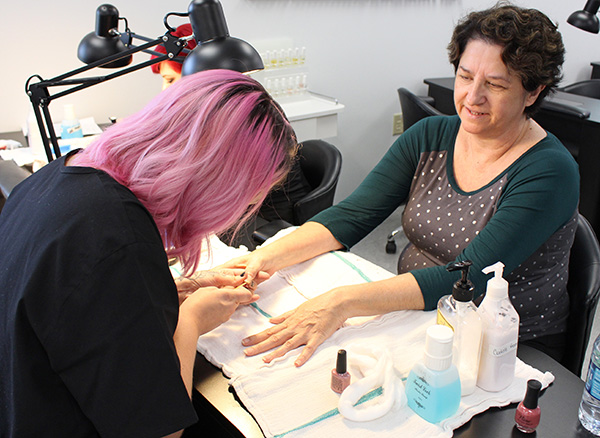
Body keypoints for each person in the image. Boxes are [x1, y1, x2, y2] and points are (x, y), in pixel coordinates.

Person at [222, 3, 579, 367]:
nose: (473, 97)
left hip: (506, 346)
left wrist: (342, 302)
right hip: (423, 318)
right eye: (466, 76)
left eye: (496, 85)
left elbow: (469, 277)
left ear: (533, 92)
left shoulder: (548, 171)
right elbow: (350, 215)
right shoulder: (430, 136)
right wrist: (260, 260)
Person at [0, 70, 296, 437]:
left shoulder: (59, 178)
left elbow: (72, 307)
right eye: (247, 199)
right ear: (215, 182)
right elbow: (160, 433)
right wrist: (192, 319)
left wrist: (164, 291)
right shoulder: (119, 240)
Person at [151, 24, 312, 231]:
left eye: (170, 80)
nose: (165, 90)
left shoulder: (238, 114)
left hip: (266, 220)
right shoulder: (215, 108)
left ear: (199, 73)